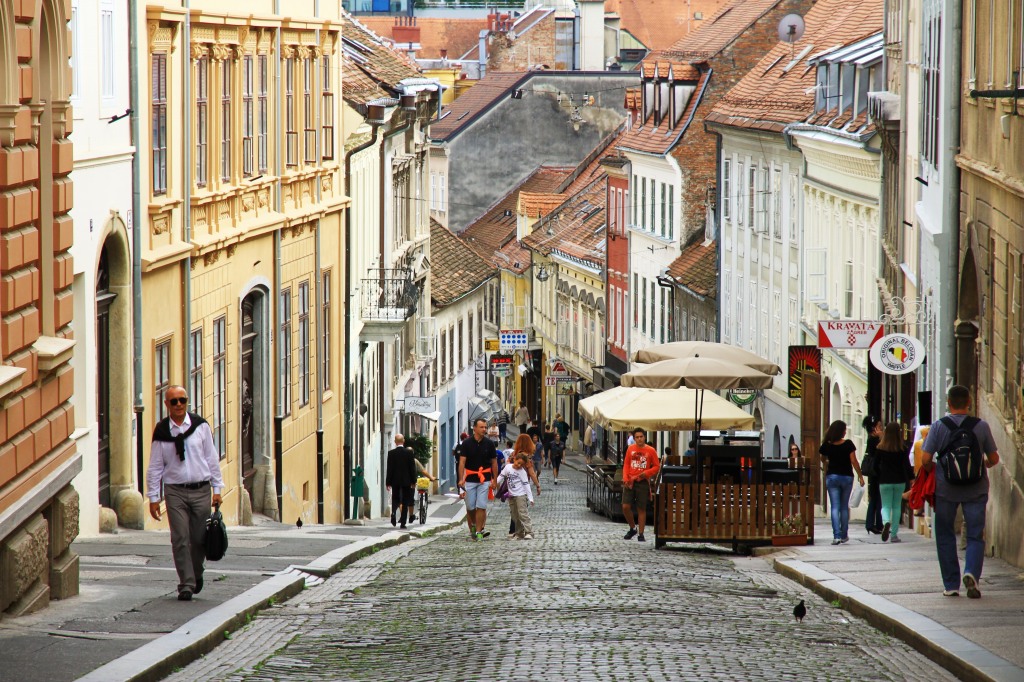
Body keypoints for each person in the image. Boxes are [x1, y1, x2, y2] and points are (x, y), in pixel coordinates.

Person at [146, 385, 225, 601]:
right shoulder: (162, 432)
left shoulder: (200, 427)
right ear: (166, 405)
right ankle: (186, 584)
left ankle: (197, 574)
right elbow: (155, 467)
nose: (179, 404)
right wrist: (154, 498)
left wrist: (217, 488)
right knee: (180, 537)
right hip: (175, 492)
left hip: (201, 489)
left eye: (182, 400)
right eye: (174, 401)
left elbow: (211, 458)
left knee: (199, 539)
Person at [921, 385, 1001, 598]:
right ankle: (972, 573)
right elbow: (994, 459)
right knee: (975, 534)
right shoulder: (981, 426)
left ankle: (951, 584)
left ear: (948, 403)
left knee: (945, 534)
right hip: (976, 489)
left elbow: (925, 459)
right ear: (969, 402)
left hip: (946, 489)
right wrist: (980, 465)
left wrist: (937, 471)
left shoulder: (939, 426)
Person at [818, 420, 864, 545]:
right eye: (844, 430)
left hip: (832, 477)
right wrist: (860, 476)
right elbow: (854, 461)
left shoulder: (827, 445)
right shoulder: (848, 444)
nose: (845, 432)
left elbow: (822, 457)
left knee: (834, 507)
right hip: (846, 478)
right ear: (840, 431)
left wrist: (826, 463)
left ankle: (836, 536)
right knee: (844, 507)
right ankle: (844, 535)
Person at [458, 418, 499, 541]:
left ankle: (479, 531)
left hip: (484, 480)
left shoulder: (489, 444)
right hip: (470, 479)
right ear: (474, 428)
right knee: (470, 507)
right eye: (481, 427)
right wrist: (461, 479)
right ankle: (474, 525)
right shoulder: (466, 443)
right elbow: (462, 462)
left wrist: (495, 480)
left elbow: (494, 463)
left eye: (485, 427)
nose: (484, 429)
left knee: (481, 505)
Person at [875, 422, 915, 543]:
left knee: (885, 506)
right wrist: (911, 478)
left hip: (885, 480)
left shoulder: (880, 448)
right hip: (899, 480)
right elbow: (907, 466)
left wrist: (879, 475)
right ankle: (894, 535)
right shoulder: (903, 448)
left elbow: (875, 466)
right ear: (899, 433)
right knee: (897, 506)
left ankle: (886, 521)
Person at [621, 428, 660, 542]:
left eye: (641, 437)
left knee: (641, 508)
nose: (639, 439)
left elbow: (656, 466)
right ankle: (633, 528)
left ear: (645, 437)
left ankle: (641, 534)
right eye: (637, 437)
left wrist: (646, 473)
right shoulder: (630, 449)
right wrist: (625, 478)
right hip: (630, 481)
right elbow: (626, 464)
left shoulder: (651, 450)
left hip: (642, 482)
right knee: (625, 506)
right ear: (634, 438)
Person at [508, 434, 541, 537]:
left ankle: (516, 531)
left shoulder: (513, 455)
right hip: (522, 486)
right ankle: (527, 531)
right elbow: (531, 473)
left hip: (512, 485)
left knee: (515, 510)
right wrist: (537, 485)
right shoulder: (526, 457)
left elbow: (507, 468)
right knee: (522, 509)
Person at [497, 453, 536, 539]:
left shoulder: (522, 472)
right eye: (518, 463)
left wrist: (530, 498)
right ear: (514, 459)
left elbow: (526, 485)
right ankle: (519, 532)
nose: (519, 465)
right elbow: (501, 476)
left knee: (523, 513)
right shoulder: (508, 467)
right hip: (511, 495)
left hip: (520, 495)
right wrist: (494, 483)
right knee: (514, 515)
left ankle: (529, 531)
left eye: (521, 464)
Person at [385, 435, 418, 528]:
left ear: (395, 442)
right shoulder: (409, 453)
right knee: (405, 500)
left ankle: (394, 513)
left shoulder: (391, 453)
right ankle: (403, 523)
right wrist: (413, 481)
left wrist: (388, 482)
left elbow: (389, 469)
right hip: (406, 481)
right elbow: (412, 468)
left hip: (395, 481)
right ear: (403, 441)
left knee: (395, 498)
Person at [862, 415, 884, 535]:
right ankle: (875, 523)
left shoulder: (873, 439)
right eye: (879, 427)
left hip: (876, 472)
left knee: (876, 498)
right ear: (874, 428)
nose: (881, 429)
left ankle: (872, 524)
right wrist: (881, 437)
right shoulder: (874, 440)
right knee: (877, 498)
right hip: (876, 472)